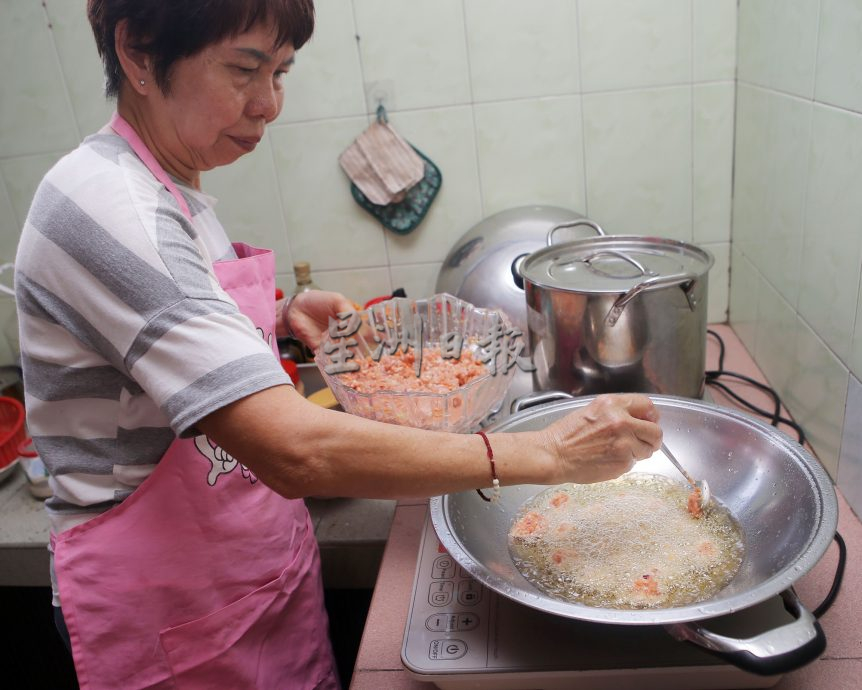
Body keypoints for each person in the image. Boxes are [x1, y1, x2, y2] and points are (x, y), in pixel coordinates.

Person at [13, 1, 663, 688]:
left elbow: (159, 323)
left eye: (281, 72)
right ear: (139, 54)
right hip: (172, 614)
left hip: (246, 585)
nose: (269, 104)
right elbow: (296, 451)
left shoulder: (166, 186)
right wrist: (546, 453)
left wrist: (277, 313)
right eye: (244, 70)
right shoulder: (112, 205)